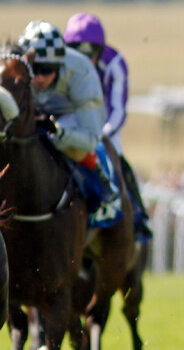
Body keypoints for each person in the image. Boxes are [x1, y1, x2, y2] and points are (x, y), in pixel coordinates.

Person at [63, 13, 151, 237]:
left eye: (90, 54)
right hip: (72, 126)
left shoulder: (115, 63)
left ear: (100, 51)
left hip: (104, 129)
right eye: (77, 52)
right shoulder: (60, 63)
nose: (84, 60)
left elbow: (118, 110)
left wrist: (101, 135)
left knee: (117, 159)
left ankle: (137, 213)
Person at [18, 20, 117, 210]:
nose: (38, 78)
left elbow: (89, 140)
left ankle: (100, 179)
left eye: (46, 70)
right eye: (34, 70)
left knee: (57, 140)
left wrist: (60, 132)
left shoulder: (82, 72)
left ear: (59, 65)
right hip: (34, 112)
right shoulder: (15, 67)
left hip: (71, 117)